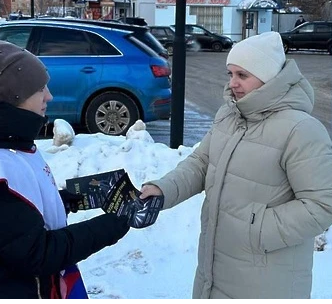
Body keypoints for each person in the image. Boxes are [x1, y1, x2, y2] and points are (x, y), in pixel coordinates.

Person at [0, 37, 130, 299]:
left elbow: (9, 224)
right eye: (40, 89)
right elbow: (37, 254)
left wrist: (62, 201)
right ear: (14, 97)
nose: (49, 96)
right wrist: (113, 225)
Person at [140, 31, 332, 299]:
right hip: (215, 271)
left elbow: (321, 205)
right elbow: (201, 162)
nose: (233, 84)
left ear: (268, 78)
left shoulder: (301, 130)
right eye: (230, 74)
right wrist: (163, 190)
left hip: (267, 281)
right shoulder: (230, 115)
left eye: (243, 75)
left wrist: (256, 228)